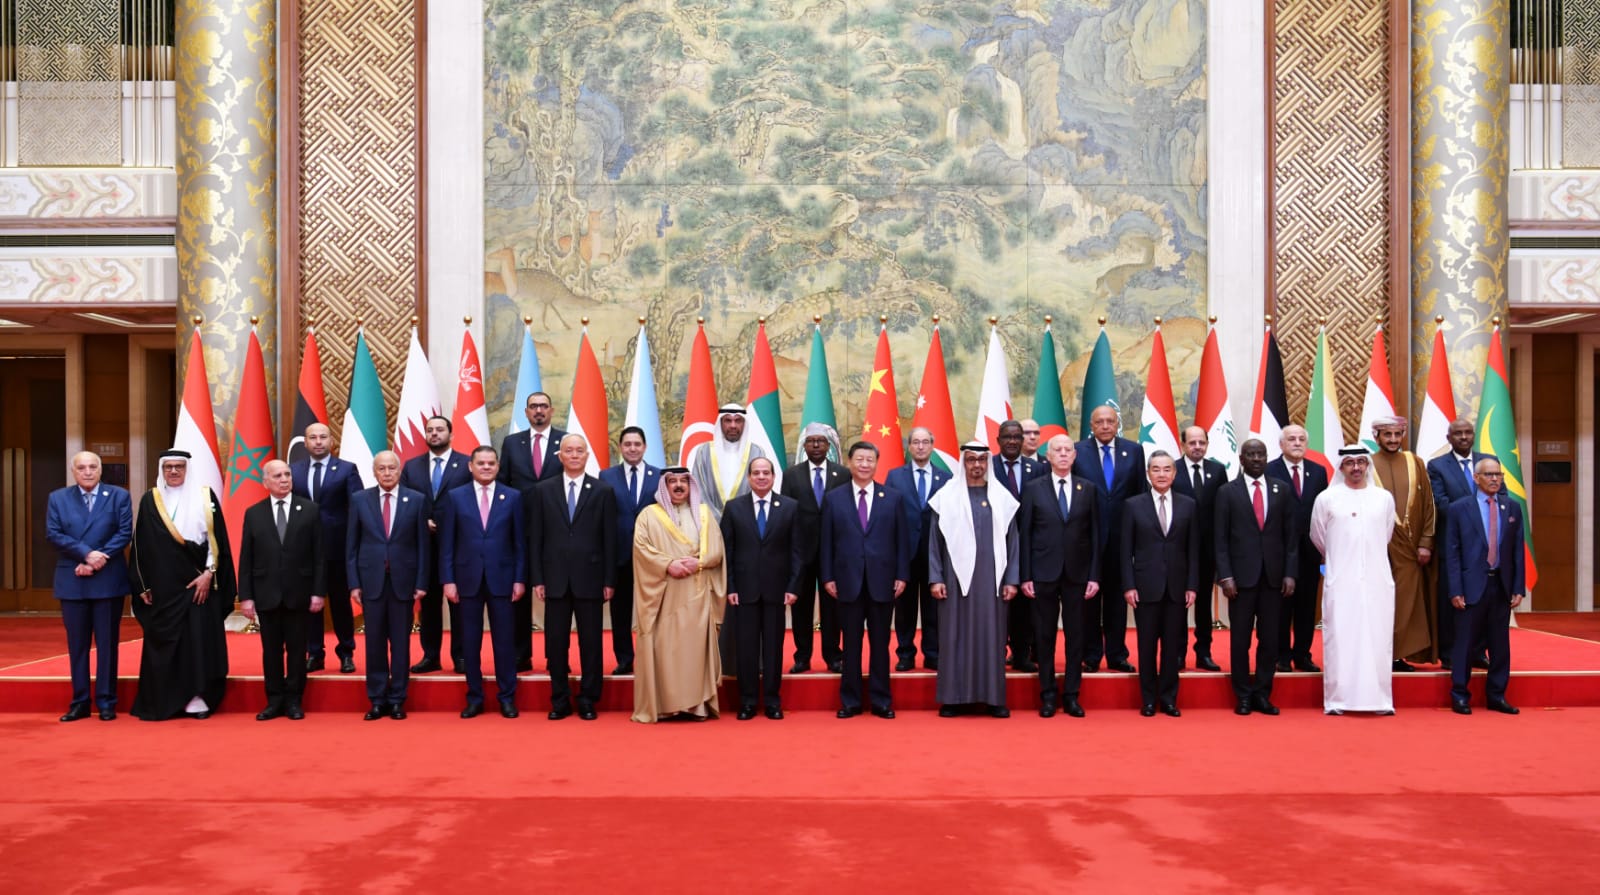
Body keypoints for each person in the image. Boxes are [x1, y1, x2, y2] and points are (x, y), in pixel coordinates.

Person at [127, 449, 235, 720]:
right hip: (163, 587)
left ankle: (197, 699)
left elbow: (217, 541)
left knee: (197, 641)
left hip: (198, 584)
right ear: (162, 470)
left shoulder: (205, 497)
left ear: (187, 469)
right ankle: (164, 699)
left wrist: (209, 574)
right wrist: (143, 586)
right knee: (164, 642)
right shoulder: (151, 500)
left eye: (179, 467)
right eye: (168, 467)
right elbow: (140, 546)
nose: (173, 471)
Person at [927, 442, 1020, 718]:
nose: (976, 465)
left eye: (981, 460)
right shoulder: (946, 497)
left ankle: (994, 699)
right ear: (963, 462)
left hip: (992, 581)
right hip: (954, 581)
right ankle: (953, 699)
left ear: (988, 463)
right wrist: (936, 578)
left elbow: (1013, 543)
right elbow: (934, 542)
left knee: (991, 637)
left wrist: (1012, 580)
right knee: (954, 636)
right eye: (971, 460)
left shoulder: (1001, 498)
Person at [530, 434, 617, 721]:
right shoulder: (543, 490)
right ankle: (560, 700)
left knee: (591, 644)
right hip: (554, 579)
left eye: (580, 450)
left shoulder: (603, 491)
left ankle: (589, 699)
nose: (575, 455)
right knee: (555, 644)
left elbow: (609, 540)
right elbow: (536, 538)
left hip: (591, 579)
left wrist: (609, 580)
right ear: (560, 456)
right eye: (569, 450)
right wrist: (538, 578)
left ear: (587, 455)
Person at [820, 441, 910, 719]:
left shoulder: (892, 498)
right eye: (859, 459)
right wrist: (827, 577)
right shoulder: (833, 498)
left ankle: (881, 700)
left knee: (880, 644)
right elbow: (826, 542)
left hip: (883, 581)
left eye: (870, 460)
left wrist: (902, 575)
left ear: (876, 464)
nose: (864, 464)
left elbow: (902, 541)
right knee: (851, 644)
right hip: (847, 581)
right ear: (849, 462)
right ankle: (851, 701)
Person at [630, 466, 726, 722]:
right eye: (672, 481)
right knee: (665, 652)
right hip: (663, 597)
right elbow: (641, 550)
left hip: (696, 594)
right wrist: (667, 564)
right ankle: (665, 706)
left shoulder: (704, 514)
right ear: (664, 486)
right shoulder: (648, 516)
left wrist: (700, 562)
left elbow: (717, 551)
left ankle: (697, 706)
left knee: (694, 654)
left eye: (684, 481)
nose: (679, 486)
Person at [45, 451, 133, 722]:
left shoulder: (119, 496)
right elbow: (53, 533)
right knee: (78, 646)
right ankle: (80, 702)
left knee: (107, 645)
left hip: (107, 579)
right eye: (81, 467)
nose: (87, 472)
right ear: (73, 471)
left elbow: (124, 532)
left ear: (100, 470)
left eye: (92, 466)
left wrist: (97, 559)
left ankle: (107, 701)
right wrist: (86, 554)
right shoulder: (58, 498)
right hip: (73, 580)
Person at [439, 446, 527, 719]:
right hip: (466, 581)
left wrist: (520, 578)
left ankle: (507, 697)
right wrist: (448, 580)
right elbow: (447, 544)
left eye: (491, 463)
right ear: (471, 466)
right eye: (481, 463)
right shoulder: (455, 497)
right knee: (470, 643)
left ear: (498, 466)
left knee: (505, 643)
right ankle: (475, 697)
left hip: (503, 580)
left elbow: (519, 543)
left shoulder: (512, 497)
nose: (486, 467)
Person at [1018, 435, 1100, 718]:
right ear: (1049, 456)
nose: (1063, 454)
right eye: (1058, 450)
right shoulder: (1033, 489)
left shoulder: (1088, 488)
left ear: (1074, 456)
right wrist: (1025, 575)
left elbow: (1095, 535)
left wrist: (1094, 575)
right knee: (1044, 637)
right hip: (1042, 574)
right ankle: (1048, 695)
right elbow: (1025, 534)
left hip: (1078, 575)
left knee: (1076, 637)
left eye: (1068, 450)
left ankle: (1072, 695)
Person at [1311, 445, 1397, 716]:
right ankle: (1338, 699)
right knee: (1341, 637)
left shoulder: (1383, 498)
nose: (1356, 467)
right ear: (1341, 467)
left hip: (1376, 579)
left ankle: (1379, 700)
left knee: (1377, 638)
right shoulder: (1327, 498)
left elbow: (1385, 534)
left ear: (1368, 465)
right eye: (1350, 462)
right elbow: (1319, 536)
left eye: (1361, 462)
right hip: (1341, 579)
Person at [1214, 439, 1298, 716]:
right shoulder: (1227, 492)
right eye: (1250, 455)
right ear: (1241, 459)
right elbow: (1220, 540)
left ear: (1266, 457)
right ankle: (1242, 695)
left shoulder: (1281, 489)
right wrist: (1225, 576)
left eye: (1260, 454)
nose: (1256, 459)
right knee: (1240, 640)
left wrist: (1290, 573)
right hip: (1240, 581)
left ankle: (1262, 693)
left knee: (1270, 640)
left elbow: (1291, 538)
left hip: (1274, 579)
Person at [237, 460, 325, 721]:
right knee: (271, 652)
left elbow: (319, 556)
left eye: (287, 474)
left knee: (297, 652)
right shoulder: (254, 513)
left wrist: (318, 592)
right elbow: (246, 558)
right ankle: (274, 700)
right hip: (267, 594)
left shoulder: (310, 510)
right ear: (265, 482)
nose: (284, 479)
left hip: (300, 593)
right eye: (277, 476)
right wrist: (246, 597)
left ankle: (294, 700)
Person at [347, 451, 429, 720]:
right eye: (381, 469)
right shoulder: (359, 499)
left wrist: (421, 581)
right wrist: (354, 583)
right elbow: (352, 546)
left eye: (391, 468)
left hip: (403, 583)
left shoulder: (416, 500)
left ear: (399, 470)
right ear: (374, 472)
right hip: (371, 583)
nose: (387, 473)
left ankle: (397, 699)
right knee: (374, 644)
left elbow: (423, 546)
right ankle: (377, 699)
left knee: (401, 644)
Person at [1444, 456, 1525, 715]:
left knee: (1500, 645)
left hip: (1500, 585)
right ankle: (1460, 695)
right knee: (1465, 644)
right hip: (1470, 587)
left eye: (1498, 475)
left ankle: (1497, 695)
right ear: (1476, 478)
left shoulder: (1512, 508)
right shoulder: (1459, 509)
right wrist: (1455, 589)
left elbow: (1517, 551)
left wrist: (1518, 587)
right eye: (1489, 474)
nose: (1494, 479)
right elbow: (1452, 553)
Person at [719, 458, 799, 720]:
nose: (761, 477)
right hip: (743, 591)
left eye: (766, 473)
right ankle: (748, 701)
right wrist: (730, 586)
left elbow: (797, 551)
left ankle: (773, 701)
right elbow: (727, 551)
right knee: (747, 649)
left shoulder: (790, 507)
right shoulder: (734, 508)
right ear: (749, 478)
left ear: (774, 477)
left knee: (774, 649)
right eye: (756, 473)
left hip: (778, 591)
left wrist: (793, 586)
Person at [1120, 452, 1198, 717]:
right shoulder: (1133, 505)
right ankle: (1148, 700)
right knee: (1147, 646)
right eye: (1156, 469)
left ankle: (1169, 699)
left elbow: (1193, 550)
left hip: (1177, 588)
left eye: (1167, 469)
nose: (1162, 474)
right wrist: (1129, 585)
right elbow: (1125, 551)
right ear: (1148, 473)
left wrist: (1192, 585)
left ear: (1174, 474)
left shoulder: (1188, 505)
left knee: (1172, 646)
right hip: (1145, 587)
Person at [1074, 403, 1145, 673]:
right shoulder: (1078, 451)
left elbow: (1140, 495)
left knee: (1117, 600)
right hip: (1086, 540)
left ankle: (1117, 655)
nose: (1105, 426)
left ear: (1117, 424)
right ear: (1091, 426)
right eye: (1099, 422)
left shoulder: (1134, 451)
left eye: (1110, 421)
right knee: (1089, 600)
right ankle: (1091, 655)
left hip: (1121, 540)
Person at [498, 391, 565, 672]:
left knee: (557, 597)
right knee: (519, 594)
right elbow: (503, 483)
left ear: (551, 410)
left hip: (557, 531)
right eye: (533, 406)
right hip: (520, 530)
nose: (539, 410)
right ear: (526, 412)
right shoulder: (512, 443)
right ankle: (520, 654)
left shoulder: (566, 441)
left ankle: (555, 656)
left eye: (543, 406)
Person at [401, 414, 471, 673]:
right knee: (429, 604)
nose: (434, 433)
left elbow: (472, 500)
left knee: (458, 602)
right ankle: (431, 656)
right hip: (424, 546)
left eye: (440, 429)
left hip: (458, 545)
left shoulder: (466, 464)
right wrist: (422, 522)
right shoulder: (412, 466)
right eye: (430, 430)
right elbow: (405, 500)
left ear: (450, 434)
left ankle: (461, 656)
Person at [291, 422, 361, 674]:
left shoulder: (346, 469)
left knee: (340, 603)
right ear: (306, 442)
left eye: (323, 437)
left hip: (337, 548)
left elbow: (357, 508)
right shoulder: (294, 470)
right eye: (313, 437)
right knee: (311, 603)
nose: (318, 441)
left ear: (332, 441)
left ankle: (346, 652)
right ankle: (314, 653)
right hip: (304, 549)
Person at [780, 422, 849, 673]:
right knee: (801, 606)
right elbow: (786, 514)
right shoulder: (791, 475)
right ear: (804, 446)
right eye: (811, 441)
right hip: (801, 552)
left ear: (828, 446)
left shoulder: (842, 474)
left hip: (833, 552)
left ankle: (833, 656)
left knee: (833, 607)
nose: (816, 445)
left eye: (821, 441)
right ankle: (802, 657)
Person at [1370, 416, 1437, 670]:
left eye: (1397, 434)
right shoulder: (1366, 464)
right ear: (1377, 436)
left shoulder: (1414, 462)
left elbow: (1429, 505)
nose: (1393, 439)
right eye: (1387, 434)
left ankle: (1398, 654)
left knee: (1406, 601)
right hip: (1379, 547)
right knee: (1379, 602)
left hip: (1411, 548)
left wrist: (1426, 542)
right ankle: (1380, 654)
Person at [885, 426, 951, 671]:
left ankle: (933, 653)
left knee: (934, 607)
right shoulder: (895, 476)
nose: (921, 446)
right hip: (905, 553)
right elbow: (889, 515)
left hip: (935, 553)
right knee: (905, 607)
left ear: (932, 446)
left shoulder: (946, 478)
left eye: (925, 442)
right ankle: (905, 653)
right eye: (916, 442)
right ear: (909, 446)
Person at [1427, 418, 1491, 670]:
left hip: (1485, 546)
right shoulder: (1437, 466)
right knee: (1451, 602)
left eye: (1468, 432)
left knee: (1482, 600)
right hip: (1453, 544)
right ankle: (1449, 653)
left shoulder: (1488, 461)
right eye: (1458, 433)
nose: (1463, 437)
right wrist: (1476, 514)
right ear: (1449, 438)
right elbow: (1441, 503)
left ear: (1474, 435)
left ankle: (1478, 652)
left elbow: (1500, 495)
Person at [1266, 424, 1328, 672]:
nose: (1297, 443)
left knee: (1306, 605)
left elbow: (1323, 510)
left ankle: (1302, 654)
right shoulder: (1269, 470)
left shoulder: (1318, 471)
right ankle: (1281, 656)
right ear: (1281, 444)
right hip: (1279, 550)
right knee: (1281, 605)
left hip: (1310, 551)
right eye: (1291, 439)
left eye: (1301, 439)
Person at [598, 426, 660, 674]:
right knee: (620, 612)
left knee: (653, 610)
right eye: (627, 444)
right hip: (619, 555)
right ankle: (624, 659)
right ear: (620, 447)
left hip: (651, 556)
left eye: (637, 444)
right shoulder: (606, 476)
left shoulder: (659, 476)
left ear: (645, 447)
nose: (632, 448)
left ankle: (653, 658)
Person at [1172, 425, 1226, 671]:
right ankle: (1178, 653)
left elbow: (1223, 509)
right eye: (1192, 443)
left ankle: (1204, 653)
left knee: (1203, 605)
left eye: (1201, 443)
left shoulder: (1217, 470)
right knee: (1178, 605)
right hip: (1178, 550)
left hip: (1207, 551)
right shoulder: (1172, 469)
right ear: (1183, 445)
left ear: (1207, 444)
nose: (1197, 447)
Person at [992, 419, 1045, 671]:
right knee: (996, 603)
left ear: (1023, 441)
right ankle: (995, 653)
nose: (1012, 441)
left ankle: (1022, 654)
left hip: (1028, 547)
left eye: (1016, 437)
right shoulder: (987, 466)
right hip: (993, 546)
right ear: (998, 440)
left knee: (1024, 605)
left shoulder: (1037, 469)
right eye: (1007, 437)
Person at [692, 403, 767, 519]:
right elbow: (698, 490)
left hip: (746, 521)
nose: (733, 426)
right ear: (720, 423)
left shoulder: (757, 452)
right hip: (711, 522)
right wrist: (716, 519)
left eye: (738, 421)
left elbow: (761, 488)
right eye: (728, 420)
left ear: (744, 423)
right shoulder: (704, 452)